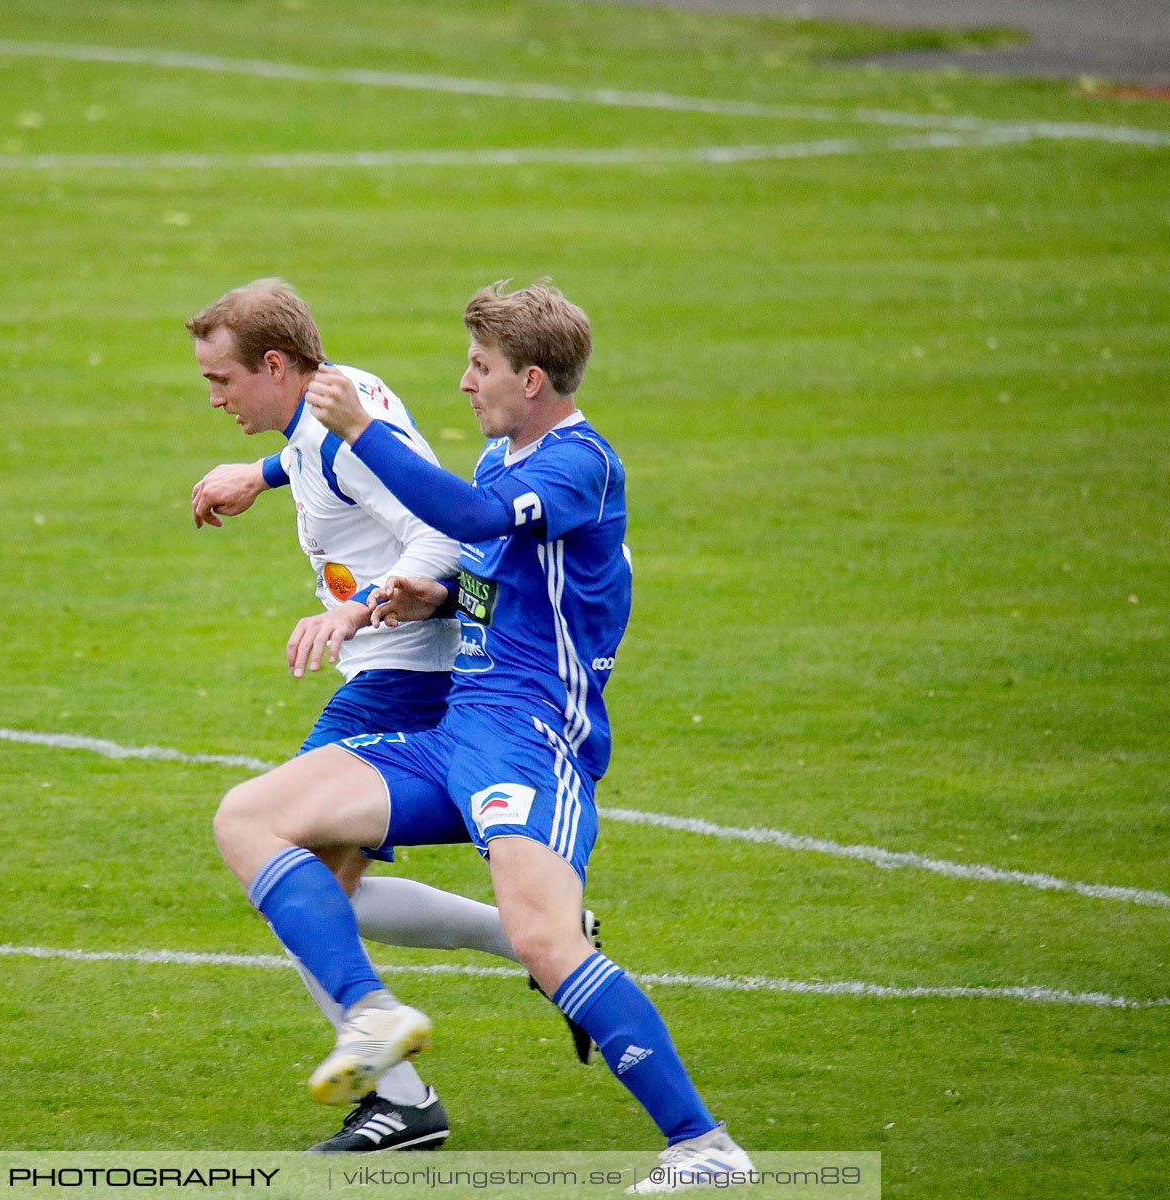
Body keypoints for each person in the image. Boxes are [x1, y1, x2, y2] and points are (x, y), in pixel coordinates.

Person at [212, 282, 753, 1192]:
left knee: (544, 942)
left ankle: (705, 1149)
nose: (464, 383)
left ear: (532, 379)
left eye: (481, 367)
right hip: (460, 725)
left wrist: (361, 433)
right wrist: (432, 593)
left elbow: (469, 520)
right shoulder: (507, 452)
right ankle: (371, 1018)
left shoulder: (578, 464)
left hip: (532, 741)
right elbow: (502, 576)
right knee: (251, 818)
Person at [188, 280, 602, 1152]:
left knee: (285, 872)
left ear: (275, 365)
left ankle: (402, 1092)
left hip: (401, 674)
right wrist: (261, 474)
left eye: (222, 381)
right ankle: (532, 945)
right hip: (402, 669)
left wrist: (357, 605)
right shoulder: (338, 403)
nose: (215, 398)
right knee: (314, 890)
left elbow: (440, 532)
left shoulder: (342, 440)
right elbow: (332, 457)